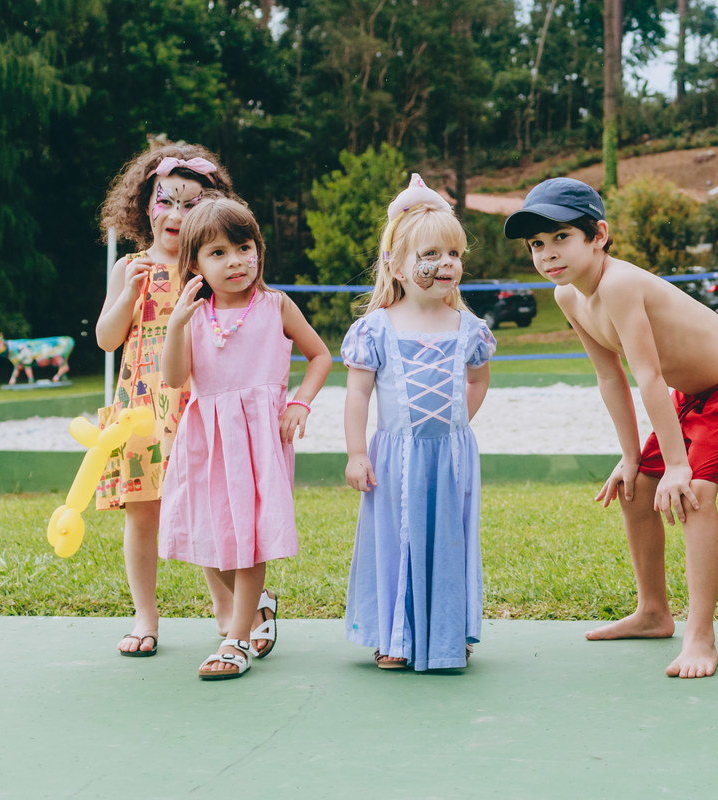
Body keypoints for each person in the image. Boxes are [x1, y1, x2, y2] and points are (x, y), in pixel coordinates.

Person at [503, 178, 718, 679]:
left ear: (598, 235)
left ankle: (701, 636)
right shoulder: (568, 296)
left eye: (561, 237)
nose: (548, 253)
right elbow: (610, 375)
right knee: (635, 490)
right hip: (691, 397)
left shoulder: (619, 284)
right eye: (537, 244)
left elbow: (647, 375)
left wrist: (677, 465)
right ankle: (653, 613)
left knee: (693, 494)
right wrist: (631, 458)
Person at [96, 144, 274, 658]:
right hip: (140, 412)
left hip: (199, 407)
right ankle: (145, 618)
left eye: (192, 204)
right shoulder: (129, 267)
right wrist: (127, 297)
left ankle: (230, 607)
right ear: (145, 205)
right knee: (141, 515)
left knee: (207, 510)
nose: (176, 214)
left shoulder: (208, 270)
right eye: (166, 200)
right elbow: (107, 339)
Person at [159, 196, 331, 680]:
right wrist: (176, 324)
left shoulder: (276, 306)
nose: (235, 261)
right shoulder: (194, 315)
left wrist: (299, 403)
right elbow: (174, 378)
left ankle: (235, 641)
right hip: (207, 441)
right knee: (209, 536)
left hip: (258, 440)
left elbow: (320, 356)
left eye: (244, 247)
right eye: (218, 253)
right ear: (195, 264)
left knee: (248, 540)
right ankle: (257, 605)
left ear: (258, 249)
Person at [342, 174, 495, 671]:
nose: (446, 263)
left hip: (450, 458)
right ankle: (395, 635)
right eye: (431, 255)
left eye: (454, 254)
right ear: (396, 266)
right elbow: (357, 394)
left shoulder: (469, 329)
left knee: (449, 539)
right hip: (395, 457)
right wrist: (357, 452)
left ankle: (447, 633)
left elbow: (477, 381)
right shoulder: (375, 329)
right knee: (396, 539)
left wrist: (454, 426)